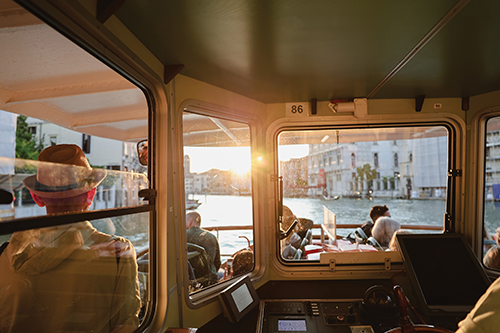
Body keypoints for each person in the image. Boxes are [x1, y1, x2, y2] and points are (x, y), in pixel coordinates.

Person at [0, 144, 140, 333]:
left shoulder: (5, 254)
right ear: (91, 194)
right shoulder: (118, 254)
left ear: (36, 197)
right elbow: (126, 326)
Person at [186, 211, 221, 286]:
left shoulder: (181, 236)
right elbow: (217, 262)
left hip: (190, 280)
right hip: (210, 280)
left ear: (190, 221)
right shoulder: (211, 237)